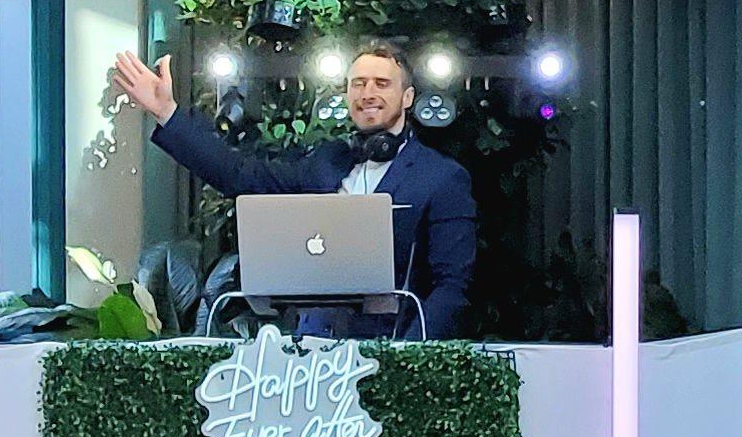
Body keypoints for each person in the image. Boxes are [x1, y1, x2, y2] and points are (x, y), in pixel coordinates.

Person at [112, 40, 479, 339]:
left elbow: (452, 286)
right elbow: (240, 175)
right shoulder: (326, 162)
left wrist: (411, 356)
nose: (367, 93)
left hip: (394, 343)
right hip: (311, 347)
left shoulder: (441, 177)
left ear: (408, 97)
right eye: (358, 83)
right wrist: (167, 113)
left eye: (382, 84)